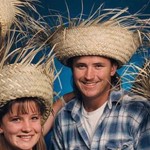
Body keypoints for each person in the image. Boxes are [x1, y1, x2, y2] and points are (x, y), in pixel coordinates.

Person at [48, 8, 150, 149]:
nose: (89, 76)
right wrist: (63, 100)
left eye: (98, 66)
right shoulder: (64, 118)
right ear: (72, 69)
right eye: (81, 66)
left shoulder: (137, 111)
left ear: (113, 69)